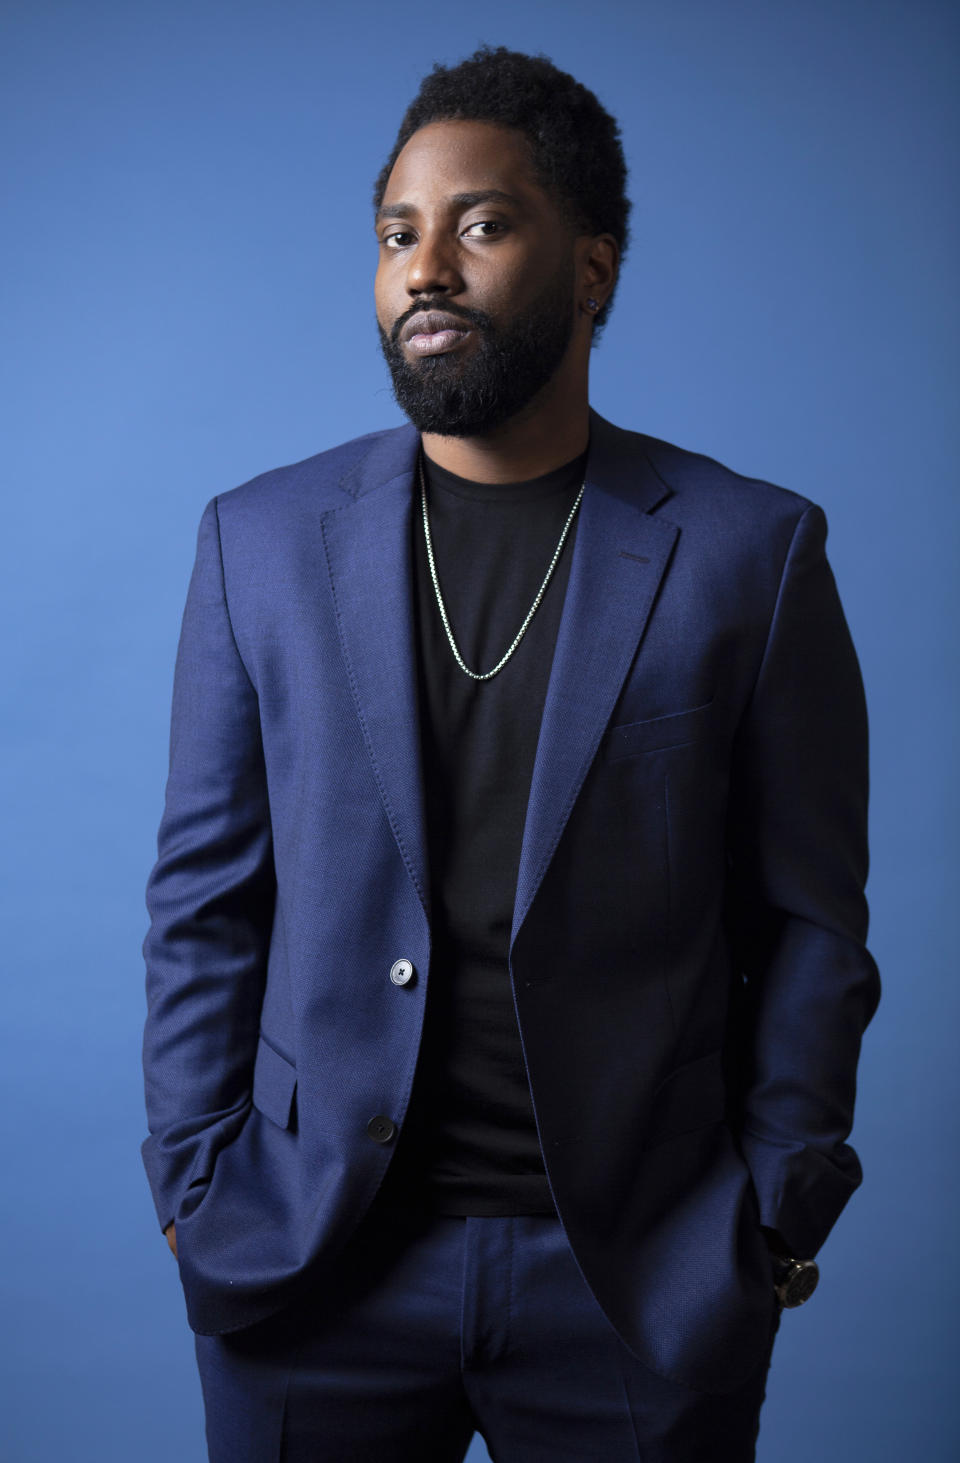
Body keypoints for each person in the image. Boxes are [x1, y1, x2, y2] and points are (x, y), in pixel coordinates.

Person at [141, 45, 880, 1463]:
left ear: (592, 268)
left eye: (480, 224)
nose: (426, 267)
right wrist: (193, 1182)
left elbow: (812, 925)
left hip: (634, 1281)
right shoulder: (258, 542)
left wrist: (776, 1214)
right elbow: (203, 902)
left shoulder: (749, 553)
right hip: (311, 1268)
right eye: (396, 233)